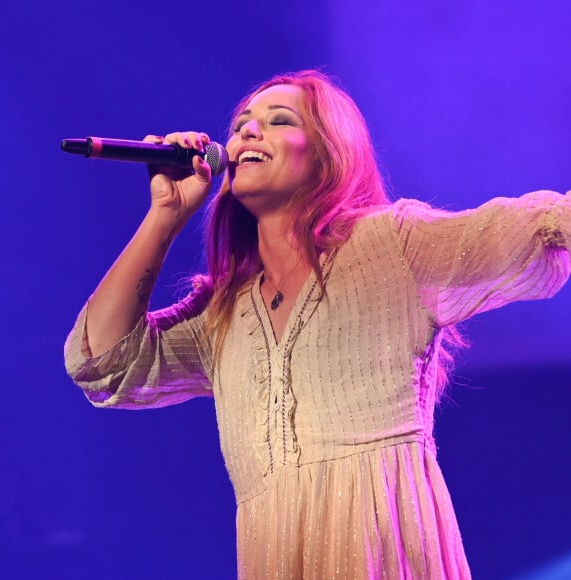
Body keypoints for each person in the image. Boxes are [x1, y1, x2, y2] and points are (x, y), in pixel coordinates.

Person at [64, 70, 571, 579]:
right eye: (240, 125)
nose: (246, 133)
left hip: (387, 549)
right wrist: (164, 216)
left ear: (330, 153)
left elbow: (540, 225)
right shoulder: (221, 312)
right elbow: (102, 362)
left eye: (278, 120)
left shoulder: (392, 244)